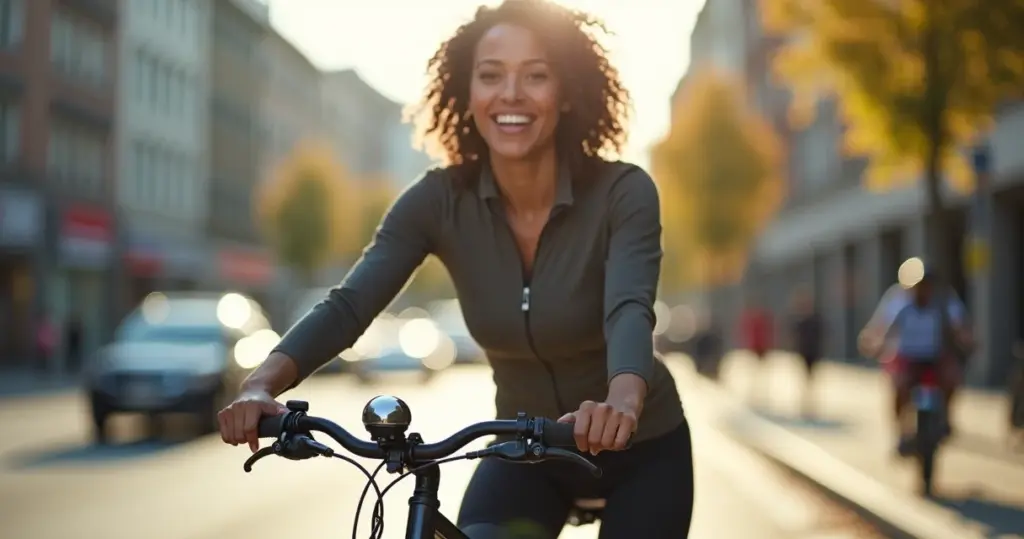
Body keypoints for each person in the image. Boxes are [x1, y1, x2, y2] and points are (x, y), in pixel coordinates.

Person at [217, 1, 694, 537]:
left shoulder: (622, 192)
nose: (510, 93)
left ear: (566, 93)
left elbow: (628, 308)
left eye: (536, 75)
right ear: (468, 94)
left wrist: (621, 403)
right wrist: (259, 385)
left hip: (641, 447)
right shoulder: (437, 201)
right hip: (525, 449)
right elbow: (349, 305)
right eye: (490, 76)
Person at [858, 258, 973, 455]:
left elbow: (959, 326)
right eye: (919, 286)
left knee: (952, 378)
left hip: (936, 357)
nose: (923, 290)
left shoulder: (944, 301)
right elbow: (884, 328)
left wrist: (967, 341)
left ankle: (946, 417)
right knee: (900, 386)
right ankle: (902, 431)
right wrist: (873, 344)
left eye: (927, 286)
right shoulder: (901, 303)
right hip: (909, 359)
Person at [789, 288, 824, 417]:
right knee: (804, 377)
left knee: (811, 377)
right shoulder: (800, 321)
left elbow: (821, 335)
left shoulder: (815, 320)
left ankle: (810, 401)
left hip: (813, 352)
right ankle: (805, 401)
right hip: (803, 353)